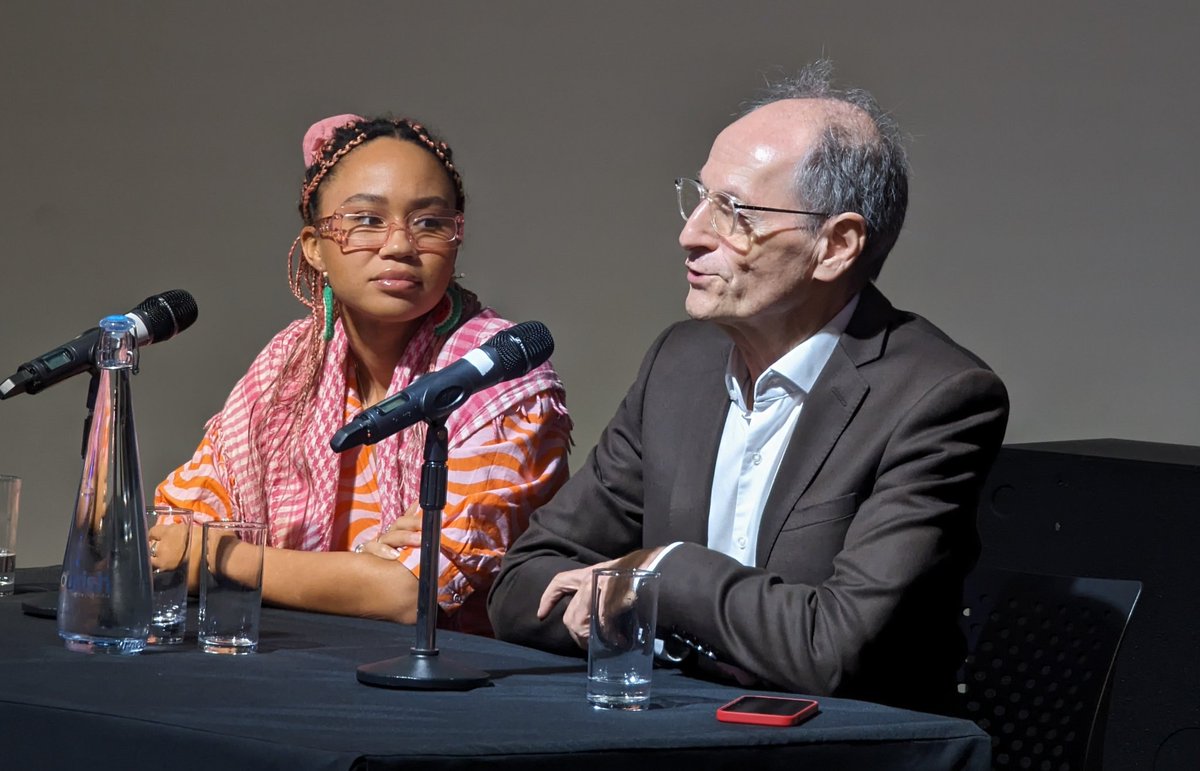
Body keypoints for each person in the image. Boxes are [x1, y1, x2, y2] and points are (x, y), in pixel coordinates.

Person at [487, 61, 1009, 713]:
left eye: (734, 212)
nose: (690, 234)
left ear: (837, 245)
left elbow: (831, 647)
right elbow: (519, 587)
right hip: (673, 732)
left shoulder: (938, 397)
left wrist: (658, 576)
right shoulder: (680, 364)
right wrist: (647, 615)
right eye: (699, 197)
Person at [156, 114, 572, 635]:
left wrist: (229, 561)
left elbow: (409, 591)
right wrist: (358, 569)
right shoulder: (288, 365)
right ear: (314, 247)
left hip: (462, 687)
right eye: (367, 220)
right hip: (297, 661)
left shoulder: (497, 373)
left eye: (429, 223)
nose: (399, 245)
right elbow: (177, 531)